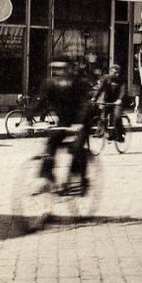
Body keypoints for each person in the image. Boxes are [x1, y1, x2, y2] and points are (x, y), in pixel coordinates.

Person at [34, 60, 95, 188]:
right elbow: (41, 101)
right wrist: (28, 117)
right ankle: (47, 176)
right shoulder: (50, 83)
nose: (58, 72)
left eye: (62, 68)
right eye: (55, 68)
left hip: (82, 120)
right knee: (51, 143)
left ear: (69, 69)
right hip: (64, 120)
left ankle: (79, 180)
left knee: (77, 148)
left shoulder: (80, 83)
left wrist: (80, 123)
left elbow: (85, 104)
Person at [94, 64, 127, 145]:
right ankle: (102, 131)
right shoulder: (106, 78)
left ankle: (119, 136)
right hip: (107, 100)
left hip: (117, 102)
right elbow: (100, 88)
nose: (117, 74)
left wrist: (119, 99)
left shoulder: (121, 80)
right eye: (115, 73)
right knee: (103, 116)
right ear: (110, 72)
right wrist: (94, 98)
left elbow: (123, 90)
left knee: (117, 117)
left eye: (118, 73)